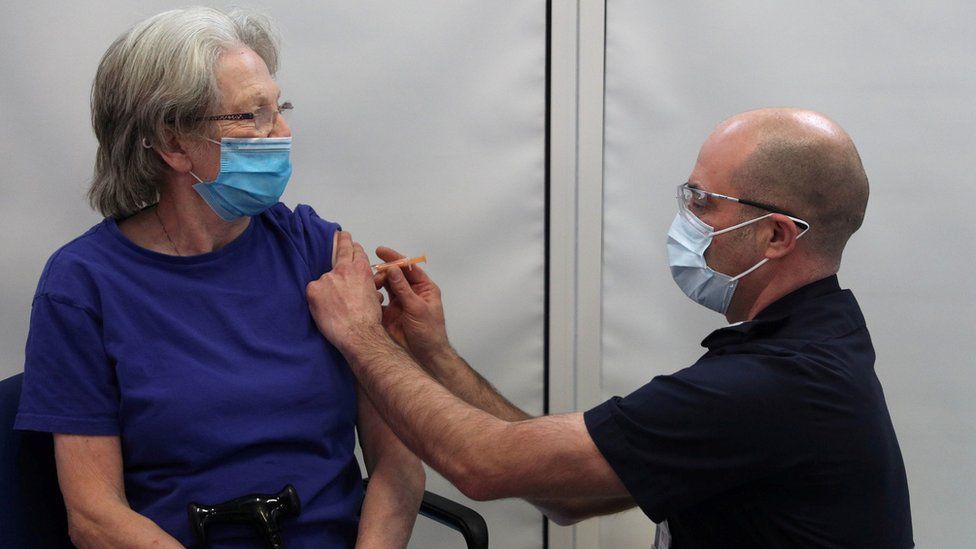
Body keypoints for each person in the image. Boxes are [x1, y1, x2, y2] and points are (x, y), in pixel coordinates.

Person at [306, 108, 914, 547]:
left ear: (776, 235)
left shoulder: (773, 385)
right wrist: (431, 352)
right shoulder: (809, 344)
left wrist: (360, 336)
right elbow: (567, 495)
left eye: (703, 202)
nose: (686, 220)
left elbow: (482, 464)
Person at [15, 7, 422, 548]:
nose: (282, 131)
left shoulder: (314, 249)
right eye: (252, 114)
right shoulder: (82, 286)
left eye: (279, 108)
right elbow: (95, 517)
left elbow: (399, 464)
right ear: (173, 143)